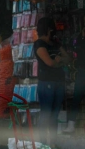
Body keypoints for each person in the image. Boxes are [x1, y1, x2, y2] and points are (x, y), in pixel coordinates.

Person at [33, 17, 71, 148]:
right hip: (46, 83)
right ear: (48, 29)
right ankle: (42, 143)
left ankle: (53, 143)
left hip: (58, 81)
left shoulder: (55, 43)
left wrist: (58, 61)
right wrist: (59, 61)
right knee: (46, 113)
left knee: (54, 114)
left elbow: (68, 58)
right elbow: (49, 62)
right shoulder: (39, 44)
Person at [63, 26, 85, 133]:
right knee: (77, 97)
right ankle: (71, 125)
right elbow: (76, 52)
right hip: (82, 71)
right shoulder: (79, 38)